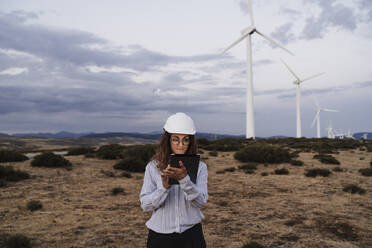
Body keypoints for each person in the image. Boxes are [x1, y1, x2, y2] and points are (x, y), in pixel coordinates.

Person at [140, 112, 208, 248]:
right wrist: (163, 188)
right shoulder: (153, 167)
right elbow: (145, 205)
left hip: (192, 236)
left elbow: (200, 202)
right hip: (160, 237)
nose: (181, 145)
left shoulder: (200, 167)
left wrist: (184, 181)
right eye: (176, 139)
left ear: (191, 141)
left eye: (186, 140)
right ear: (168, 140)